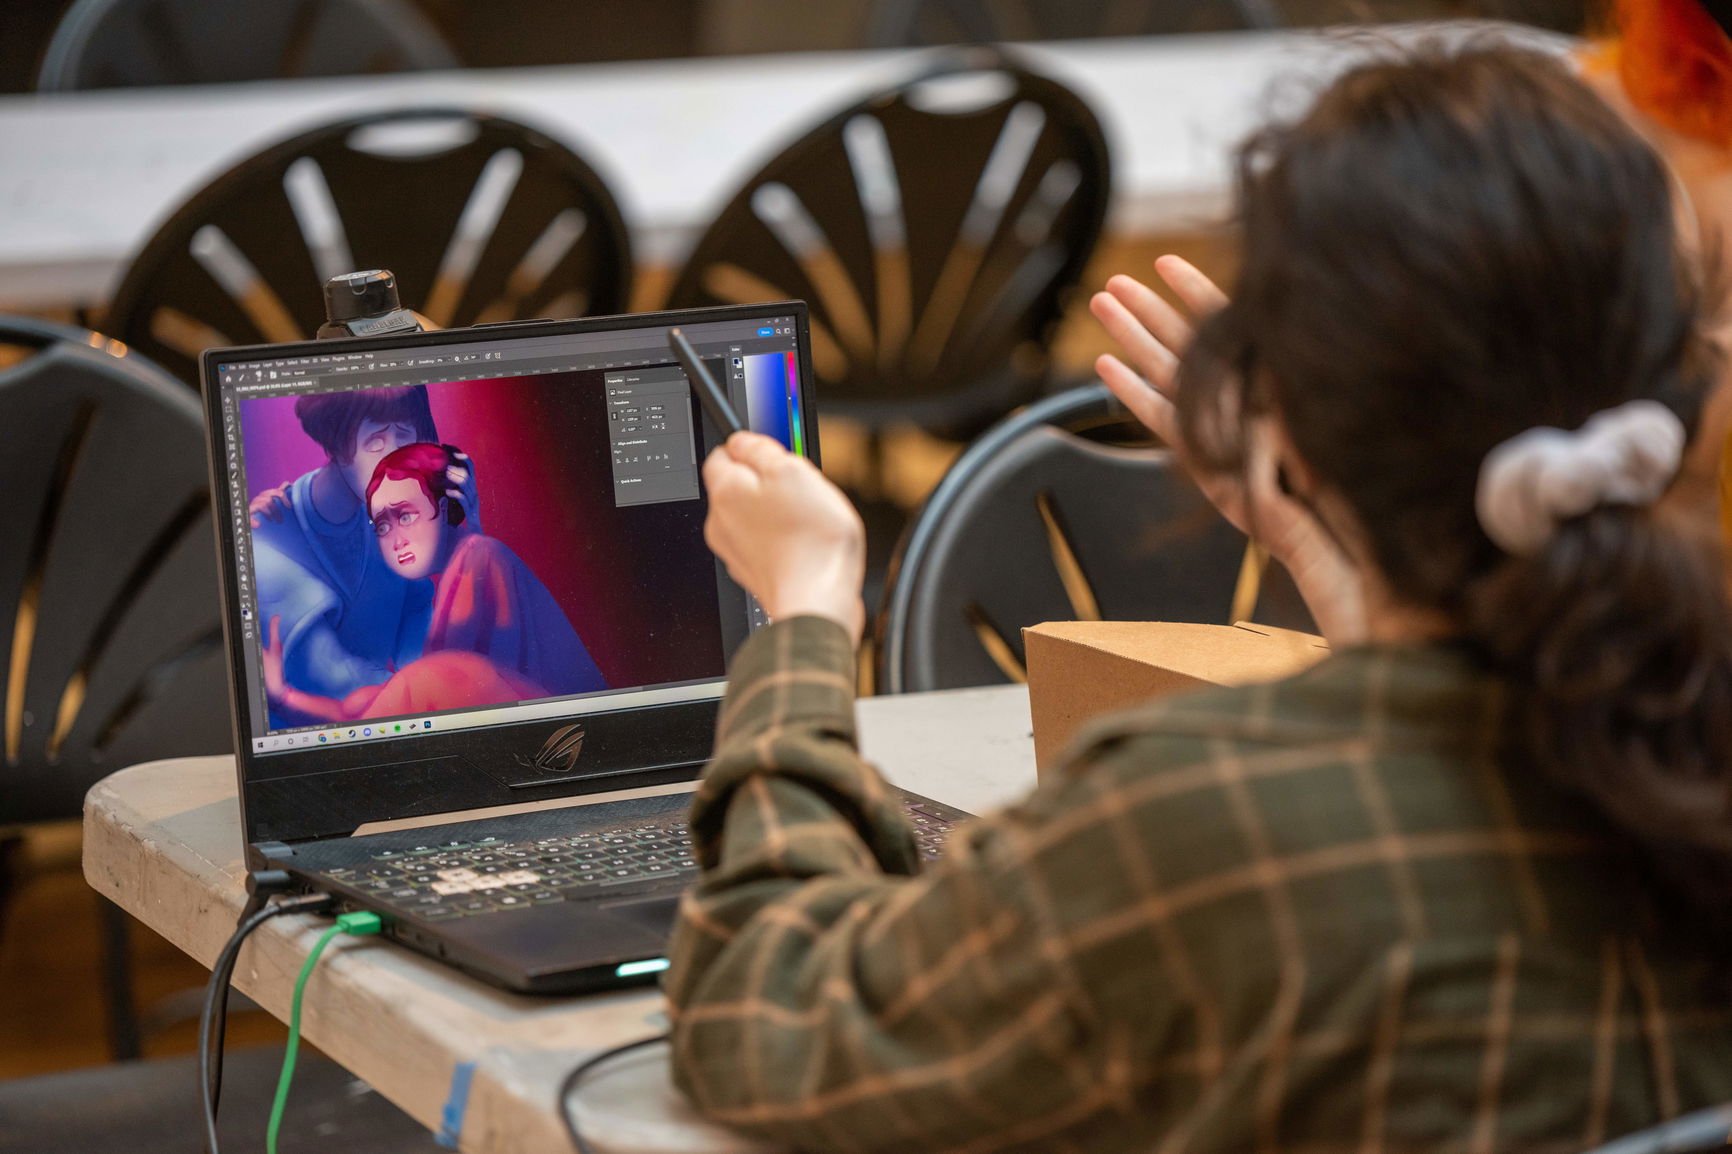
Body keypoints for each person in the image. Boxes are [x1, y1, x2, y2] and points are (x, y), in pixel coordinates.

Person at [665, 43, 1732, 1152]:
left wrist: (802, 624)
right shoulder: (1673, 736)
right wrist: (1322, 544)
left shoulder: (1207, 815)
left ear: (1292, 416)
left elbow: (763, 1012)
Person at [263, 442, 605, 721]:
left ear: (445, 507)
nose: (396, 538)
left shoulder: (479, 555)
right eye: (382, 525)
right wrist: (283, 695)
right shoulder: (471, 561)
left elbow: (451, 693)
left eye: (406, 515)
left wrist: (470, 531)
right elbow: (372, 706)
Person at [250, 387, 443, 726]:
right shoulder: (269, 539)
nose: (395, 459)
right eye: (375, 442)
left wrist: (431, 675)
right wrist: (439, 692)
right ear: (335, 447)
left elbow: (416, 606)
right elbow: (334, 682)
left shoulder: (388, 513)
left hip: (400, 725)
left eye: (404, 435)